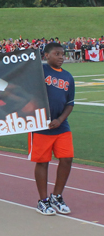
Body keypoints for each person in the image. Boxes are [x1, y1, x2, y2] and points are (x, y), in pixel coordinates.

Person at [29, 42, 75, 215]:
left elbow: (70, 104)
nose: (61, 57)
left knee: (67, 158)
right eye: (57, 54)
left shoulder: (68, 77)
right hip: (41, 125)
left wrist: (60, 119)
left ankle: (57, 196)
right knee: (42, 162)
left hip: (61, 125)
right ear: (46, 55)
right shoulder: (39, 71)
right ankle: (43, 200)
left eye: (63, 54)